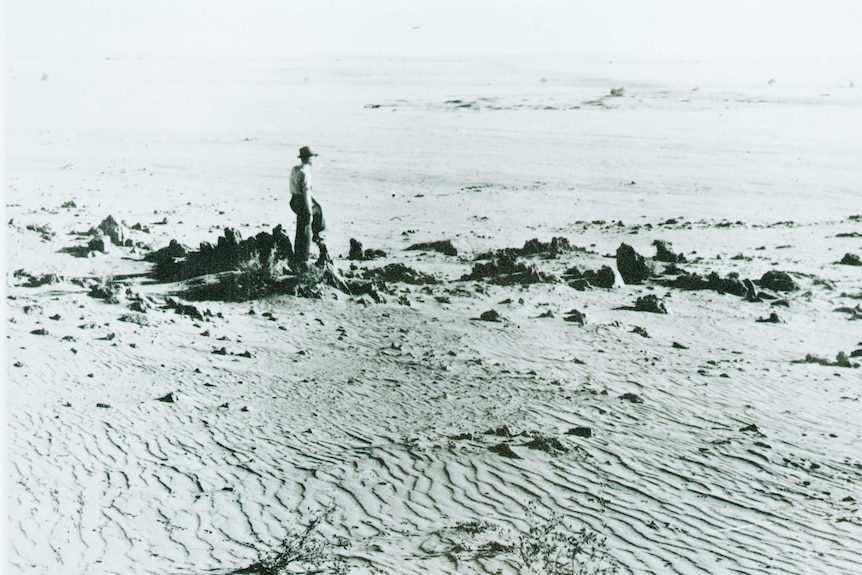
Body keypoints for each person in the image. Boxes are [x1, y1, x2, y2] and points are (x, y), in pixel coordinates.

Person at [289, 146, 326, 269]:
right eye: (313, 157)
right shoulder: (306, 173)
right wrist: (309, 211)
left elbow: (303, 191)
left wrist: (316, 202)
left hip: (294, 199)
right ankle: (303, 258)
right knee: (305, 230)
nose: (314, 160)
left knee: (301, 228)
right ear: (309, 159)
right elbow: (306, 193)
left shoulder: (295, 169)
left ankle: (299, 257)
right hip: (302, 201)